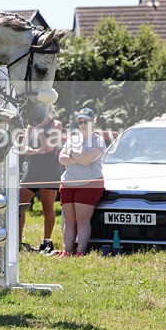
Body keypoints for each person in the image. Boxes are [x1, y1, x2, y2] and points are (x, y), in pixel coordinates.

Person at [57, 107, 105, 257]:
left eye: (86, 121)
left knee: (82, 219)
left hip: (88, 184)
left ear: (94, 121)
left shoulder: (98, 140)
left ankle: (80, 252)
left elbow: (86, 159)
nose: (83, 125)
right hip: (68, 184)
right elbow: (61, 158)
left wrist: (71, 153)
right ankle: (66, 251)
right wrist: (78, 157)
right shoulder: (73, 139)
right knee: (69, 221)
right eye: (80, 122)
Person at [21, 108, 64, 255]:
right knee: (20, 203)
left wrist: (39, 132)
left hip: (50, 169)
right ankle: (18, 240)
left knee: (47, 206)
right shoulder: (30, 126)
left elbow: (49, 146)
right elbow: (23, 148)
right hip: (33, 167)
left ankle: (46, 240)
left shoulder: (56, 124)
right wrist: (37, 151)